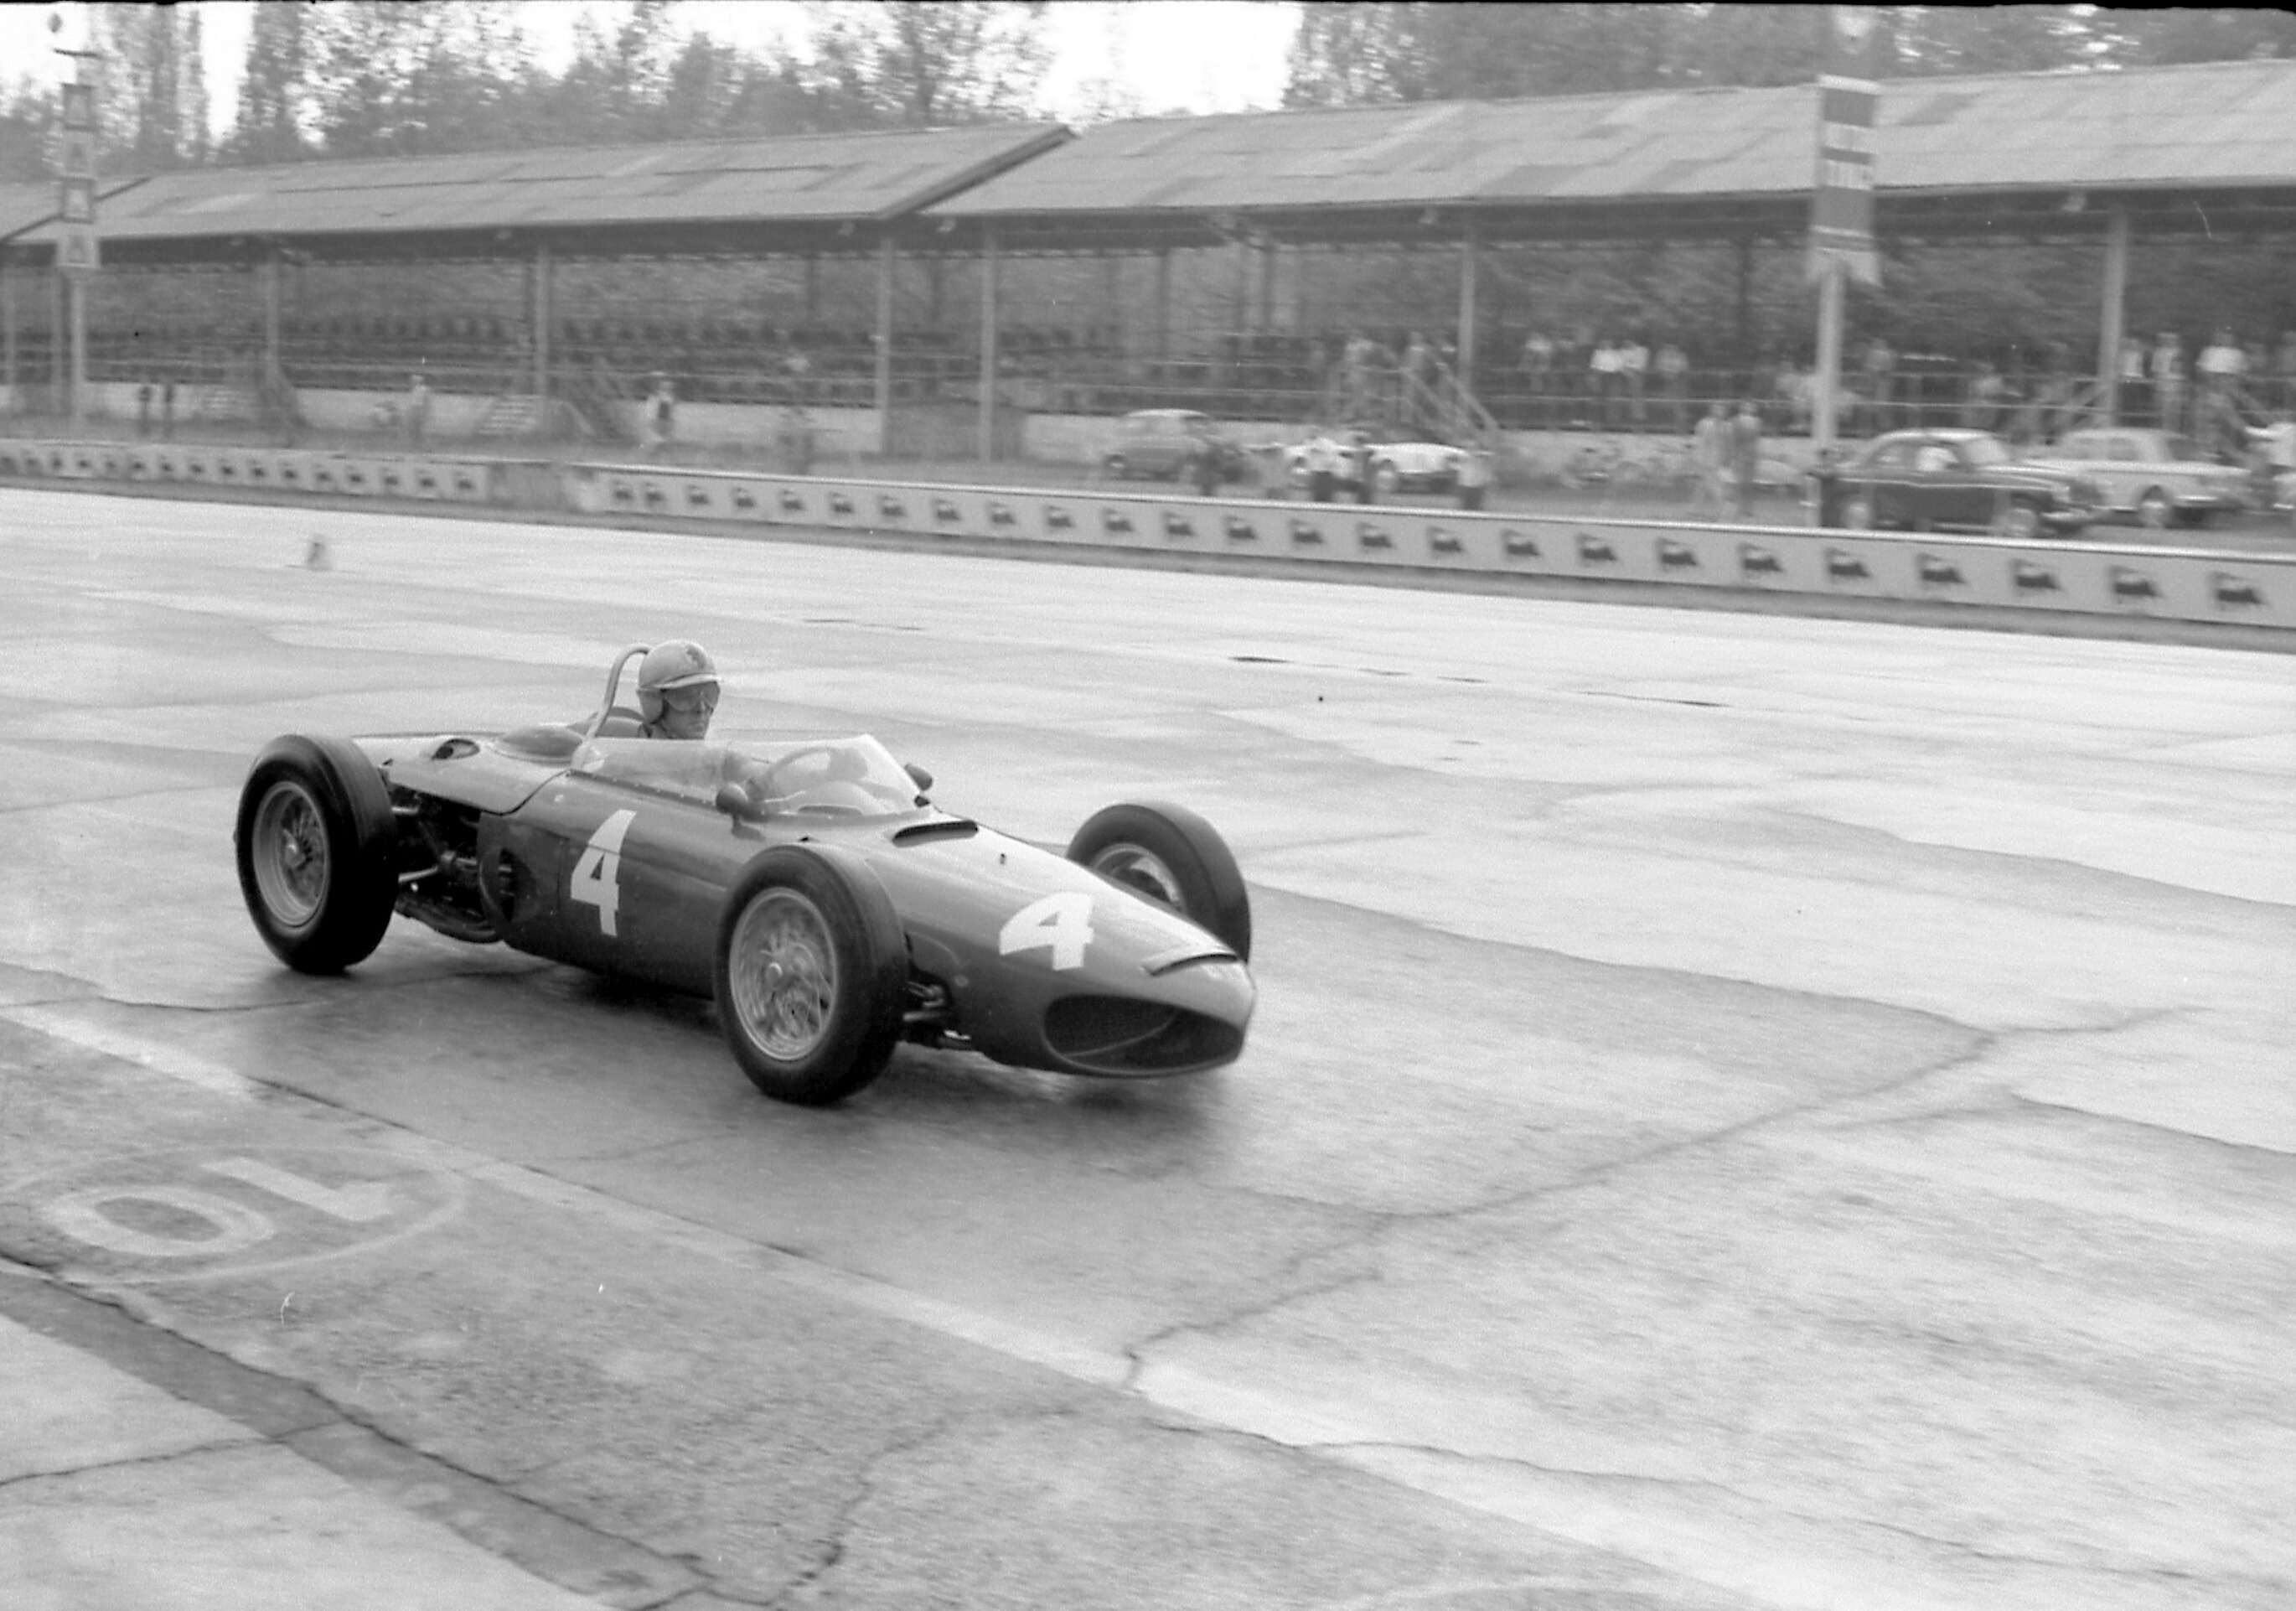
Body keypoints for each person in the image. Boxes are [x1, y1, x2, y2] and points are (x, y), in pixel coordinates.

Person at [636, 640, 719, 741]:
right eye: (687, 698)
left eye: (710, 695)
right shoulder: (638, 755)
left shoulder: (716, 755)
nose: (701, 709)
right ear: (654, 702)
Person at [1690, 400, 1730, 518]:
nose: (1719, 412)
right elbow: (1698, 438)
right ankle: (1695, 509)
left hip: (1714, 459)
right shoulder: (1704, 423)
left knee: (1710, 484)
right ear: (1712, 410)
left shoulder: (1726, 426)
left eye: (1721, 409)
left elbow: (1726, 444)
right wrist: (1694, 451)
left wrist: (1725, 457)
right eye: (1717, 409)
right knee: (1703, 484)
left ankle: (1722, 507)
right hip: (1703, 457)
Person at [1728, 398, 1762, 518]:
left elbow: (1756, 440)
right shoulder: (1736, 421)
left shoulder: (1757, 422)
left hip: (1751, 456)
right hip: (1740, 455)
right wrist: (1734, 456)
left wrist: (1756, 455)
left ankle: (1749, 509)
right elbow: (1734, 440)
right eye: (1748, 406)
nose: (1750, 408)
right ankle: (1739, 508)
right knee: (1740, 484)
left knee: (1749, 484)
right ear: (1742, 407)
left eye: (1752, 406)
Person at [643, 374, 676, 458]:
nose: (668, 387)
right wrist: (651, 419)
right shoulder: (656, 396)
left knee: (663, 441)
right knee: (660, 441)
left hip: (665, 421)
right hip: (658, 421)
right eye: (666, 385)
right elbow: (652, 408)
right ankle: (652, 455)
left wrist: (671, 420)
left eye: (669, 386)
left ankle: (656, 456)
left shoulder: (670, 397)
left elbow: (671, 410)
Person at [405, 372, 432, 450]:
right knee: (413, 429)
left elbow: (426, 401)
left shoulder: (424, 389)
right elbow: (411, 403)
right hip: (414, 410)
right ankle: (415, 445)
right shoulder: (414, 390)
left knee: (420, 430)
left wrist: (425, 412)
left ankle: (424, 446)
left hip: (420, 411)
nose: (412, 382)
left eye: (414, 381)